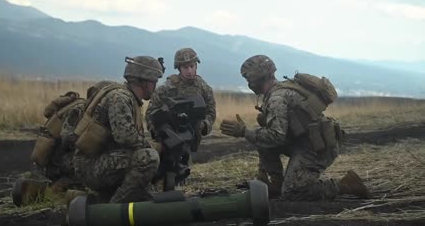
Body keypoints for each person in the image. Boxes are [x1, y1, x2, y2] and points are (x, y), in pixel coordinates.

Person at [220, 55, 369, 201]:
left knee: (293, 192)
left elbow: (276, 136)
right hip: (305, 141)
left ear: (257, 79)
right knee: (261, 138)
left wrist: (244, 132)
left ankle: (346, 185)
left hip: (317, 148)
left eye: (249, 80)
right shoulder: (279, 90)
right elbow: (272, 137)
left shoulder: (277, 98)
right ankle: (276, 184)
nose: (249, 84)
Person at [73, 56, 163, 203]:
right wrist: (154, 147)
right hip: (91, 166)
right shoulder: (120, 98)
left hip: (103, 161)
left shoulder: (129, 98)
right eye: (154, 81)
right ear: (144, 81)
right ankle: (114, 207)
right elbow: (125, 136)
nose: (155, 86)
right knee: (149, 158)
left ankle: (104, 199)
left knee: (147, 195)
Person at [146, 47, 216, 141]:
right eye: (185, 67)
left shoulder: (204, 88)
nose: (189, 71)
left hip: (193, 136)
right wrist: (160, 131)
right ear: (179, 68)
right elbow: (150, 113)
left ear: (196, 66)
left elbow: (211, 112)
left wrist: (203, 125)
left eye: (192, 66)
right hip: (169, 137)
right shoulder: (166, 88)